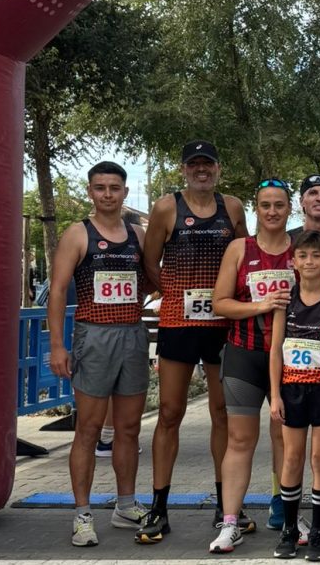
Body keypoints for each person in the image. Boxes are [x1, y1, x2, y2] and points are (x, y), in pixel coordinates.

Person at [138, 141, 248, 544]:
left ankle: (226, 506)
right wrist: (171, 287)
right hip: (179, 322)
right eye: (194, 165)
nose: (201, 171)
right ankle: (159, 506)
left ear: (218, 169)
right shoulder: (167, 207)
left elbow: (244, 255)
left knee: (223, 412)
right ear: (184, 169)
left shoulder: (232, 207)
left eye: (208, 164)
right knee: (169, 412)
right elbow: (150, 259)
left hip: (223, 323)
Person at [48, 161, 151, 547]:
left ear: (125, 192)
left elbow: (155, 278)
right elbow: (58, 291)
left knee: (128, 429)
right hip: (93, 335)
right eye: (100, 187)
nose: (108, 194)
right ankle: (82, 513)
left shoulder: (138, 235)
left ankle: (125, 504)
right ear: (90, 191)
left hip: (132, 334)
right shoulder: (77, 234)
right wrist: (58, 345)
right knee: (88, 429)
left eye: (114, 187)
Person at [208, 179, 300, 554]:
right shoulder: (238, 249)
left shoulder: (303, 249)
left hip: (292, 359)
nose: (273, 211)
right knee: (241, 440)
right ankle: (230, 522)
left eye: (279, 204)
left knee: (286, 439)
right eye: (265, 205)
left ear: (289, 209)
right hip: (244, 354)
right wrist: (260, 306)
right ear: (256, 209)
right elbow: (220, 303)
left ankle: (290, 516)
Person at [269, 230, 320, 561]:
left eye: (316, 256)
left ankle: (318, 532)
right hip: (291, 390)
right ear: (293, 262)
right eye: (303, 256)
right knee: (292, 458)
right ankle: (290, 530)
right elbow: (276, 349)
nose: (309, 262)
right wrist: (275, 394)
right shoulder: (285, 299)